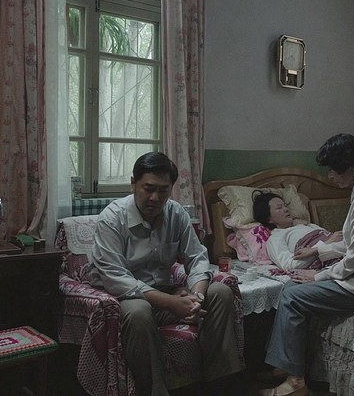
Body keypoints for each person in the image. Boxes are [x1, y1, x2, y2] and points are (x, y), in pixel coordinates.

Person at [259, 133, 354, 396]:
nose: (329, 176)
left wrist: (318, 277)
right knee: (292, 286)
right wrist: (319, 250)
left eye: (331, 169)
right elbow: (353, 243)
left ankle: (295, 382)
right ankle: (285, 364)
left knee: (292, 297)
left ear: (346, 166)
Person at [85, 152, 243, 396]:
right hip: (125, 298)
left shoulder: (176, 213)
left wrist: (197, 298)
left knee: (220, 292)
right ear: (133, 184)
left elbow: (197, 258)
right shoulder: (112, 218)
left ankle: (220, 384)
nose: (155, 198)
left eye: (163, 190)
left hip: (165, 292)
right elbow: (115, 277)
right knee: (138, 312)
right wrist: (172, 303)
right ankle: (155, 391)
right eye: (148, 189)